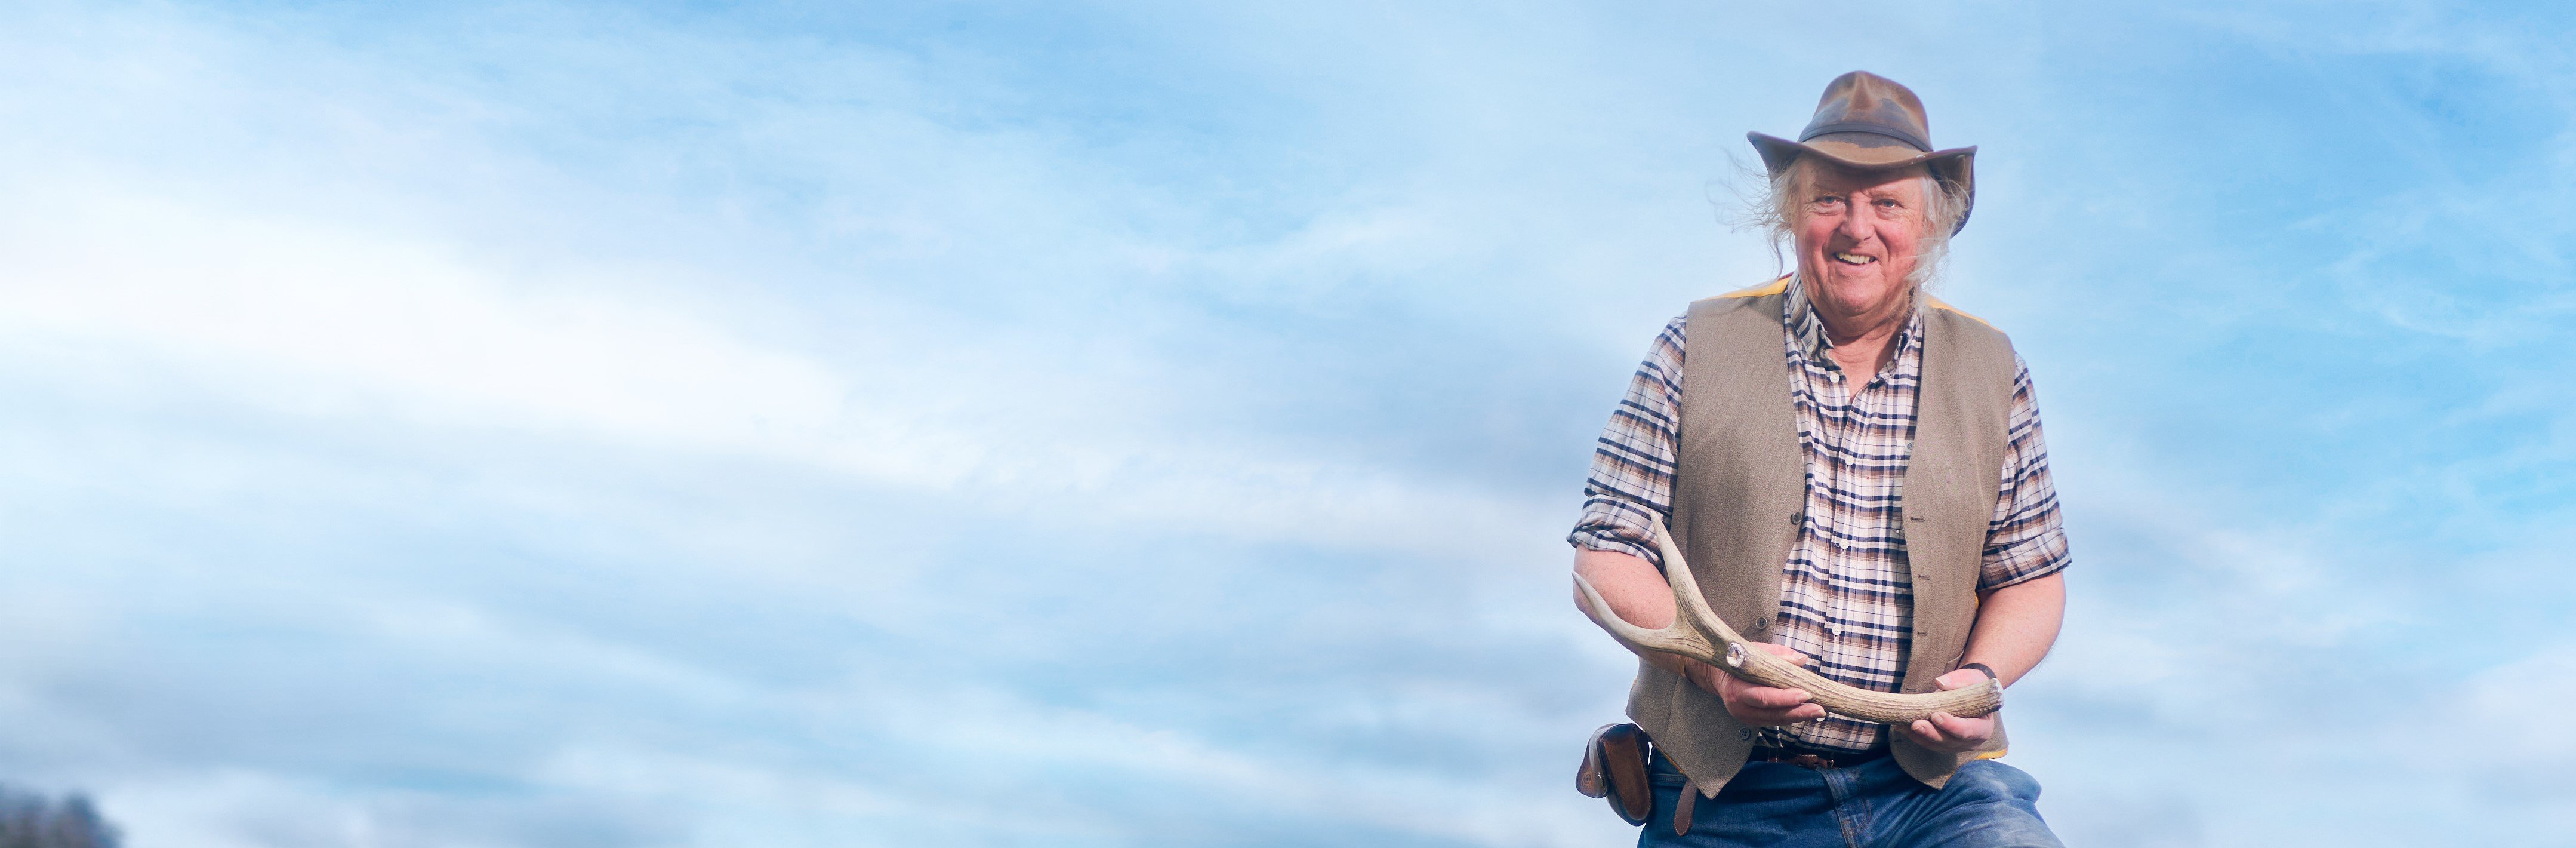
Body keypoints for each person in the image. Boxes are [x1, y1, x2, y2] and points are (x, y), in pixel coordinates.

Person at [1569, 71, 2070, 847]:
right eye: (1829, 199)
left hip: (1928, 791)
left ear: (1930, 225)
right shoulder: (1692, 348)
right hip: (1730, 793)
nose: (1856, 228)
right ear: (1791, 214)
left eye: (1887, 204)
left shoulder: (1994, 373)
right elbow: (1604, 561)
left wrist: (1982, 680)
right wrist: (1720, 669)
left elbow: (2030, 577)